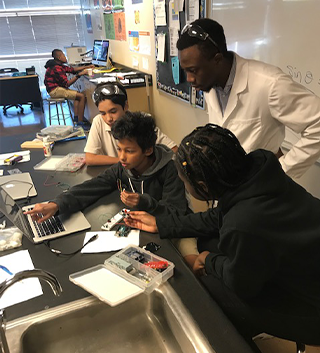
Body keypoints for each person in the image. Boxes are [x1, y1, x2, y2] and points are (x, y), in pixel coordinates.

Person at [124, 124, 320, 350]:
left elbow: (242, 284)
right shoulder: (261, 171)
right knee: (208, 242)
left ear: (202, 187)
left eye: (185, 184)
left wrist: (208, 261)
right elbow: (219, 217)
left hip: (311, 307)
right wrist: (162, 223)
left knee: (205, 287)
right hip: (304, 268)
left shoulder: (244, 222)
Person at [177, 18, 320, 180]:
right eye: (185, 71)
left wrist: (281, 172)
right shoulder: (209, 82)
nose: (189, 79)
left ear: (217, 59)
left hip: (263, 191)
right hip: (229, 188)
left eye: (193, 70)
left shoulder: (270, 83)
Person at [26, 111, 191, 226]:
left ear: (148, 149)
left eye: (130, 151)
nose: (122, 157)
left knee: (189, 253)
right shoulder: (123, 167)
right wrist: (56, 205)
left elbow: (176, 213)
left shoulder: (170, 170)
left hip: (171, 231)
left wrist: (145, 201)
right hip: (142, 228)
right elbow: (92, 187)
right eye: (119, 149)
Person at [84, 81, 178, 166]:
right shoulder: (98, 121)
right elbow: (90, 158)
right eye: (103, 113)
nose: (108, 119)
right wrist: (124, 161)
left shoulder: (140, 122)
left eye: (113, 111)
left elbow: (174, 149)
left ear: (126, 106)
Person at [44, 49, 94, 128]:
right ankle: (80, 122)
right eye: (63, 55)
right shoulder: (57, 68)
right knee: (81, 96)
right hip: (54, 90)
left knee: (77, 94)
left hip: (55, 88)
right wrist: (79, 75)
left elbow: (72, 70)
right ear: (59, 57)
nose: (65, 57)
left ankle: (76, 118)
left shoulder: (58, 65)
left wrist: (88, 66)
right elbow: (67, 84)